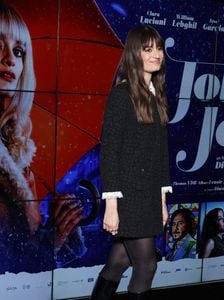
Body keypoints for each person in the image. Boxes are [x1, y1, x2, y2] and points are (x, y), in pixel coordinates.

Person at [0, 2, 86, 273]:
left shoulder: (18, 155)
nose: (9, 59)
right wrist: (51, 241)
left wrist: (57, 228)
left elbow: (23, 253)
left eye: (18, 51)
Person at [91, 25, 172, 299]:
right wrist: (111, 206)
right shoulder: (121, 95)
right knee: (147, 265)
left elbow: (161, 153)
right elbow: (109, 151)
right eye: (147, 48)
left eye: (158, 48)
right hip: (127, 196)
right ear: (133, 54)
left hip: (148, 195)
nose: (156, 54)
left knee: (119, 262)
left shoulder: (157, 95)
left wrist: (162, 201)